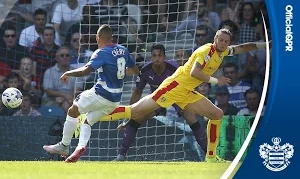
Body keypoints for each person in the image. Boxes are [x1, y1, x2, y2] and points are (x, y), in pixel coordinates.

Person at [101, 28, 270, 162]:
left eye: (226, 41)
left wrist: (265, 45)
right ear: (215, 39)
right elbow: (196, 72)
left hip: (186, 92)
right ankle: (91, 116)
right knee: (135, 111)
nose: (224, 43)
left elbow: (244, 48)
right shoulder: (207, 51)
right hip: (174, 86)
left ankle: (211, 157)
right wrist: (215, 81)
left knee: (216, 114)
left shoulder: (223, 51)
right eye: (221, 40)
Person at [43, 24, 139, 162]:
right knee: (87, 121)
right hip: (114, 100)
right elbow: (134, 69)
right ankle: (80, 147)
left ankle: (64, 145)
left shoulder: (101, 52)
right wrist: (129, 73)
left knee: (73, 110)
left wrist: (68, 73)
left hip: (102, 93)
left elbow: (85, 71)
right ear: (112, 37)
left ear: (97, 37)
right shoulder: (123, 50)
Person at [112, 44, 207, 161]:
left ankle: (209, 155)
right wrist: (130, 114)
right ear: (151, 57)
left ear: (165, 57)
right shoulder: (145, 70)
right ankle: (121, 155)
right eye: (154, 56)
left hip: (178, 98)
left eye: (160, 55)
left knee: (193, 121)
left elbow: (187, 85)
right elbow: (137, 92)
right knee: (135, 121)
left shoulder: (174, 68)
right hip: (158, 100)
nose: (157, 58)